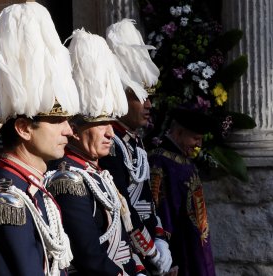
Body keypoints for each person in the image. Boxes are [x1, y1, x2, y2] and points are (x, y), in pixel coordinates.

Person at [0, 2, 79, 275]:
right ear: (24, 128)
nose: (69, 131)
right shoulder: (7, 197)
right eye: (56, 121)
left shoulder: (28, 185)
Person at [46, 29, 146, 276]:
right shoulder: (67, 180)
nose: (110, 133)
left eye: (111, 125)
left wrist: (139, 268)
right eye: (101, 125)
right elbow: (88, 255)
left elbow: (121, 238)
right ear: (76, 131)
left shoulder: (97, 173)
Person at [100, 19, 172, 274]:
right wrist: (150, 249)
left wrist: (161, 237)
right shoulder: (112, 144)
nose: (149, 105)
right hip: (131, 252)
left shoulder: (135, 141)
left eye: (149, 98)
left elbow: (147, 202)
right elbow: (123, 207)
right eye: (139, 98)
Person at [148, 107, 216, 276]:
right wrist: (169, 257)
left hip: (195, 247)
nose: (199, 145)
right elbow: (160, 212)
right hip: (179, 252)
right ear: (178, 133)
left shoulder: (184, 162)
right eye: (195, 138)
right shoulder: (161, 161)